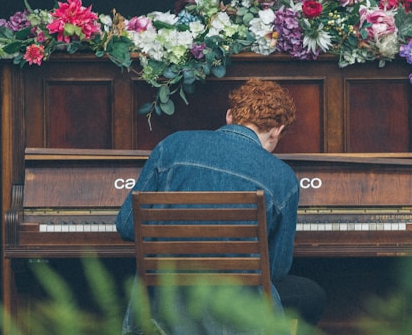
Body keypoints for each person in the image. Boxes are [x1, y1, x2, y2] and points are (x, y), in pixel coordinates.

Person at [116, 78, 326, 334]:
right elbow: (278, 269)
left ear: (229, 116)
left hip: (166, 307)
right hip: (232, 315)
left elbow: (126, 226)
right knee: (312, 295)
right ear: (277, 131)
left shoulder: (172, 145)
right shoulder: (283, 177)